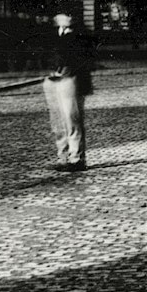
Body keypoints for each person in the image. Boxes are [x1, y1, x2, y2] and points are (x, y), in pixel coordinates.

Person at [42, 12, 95, 173]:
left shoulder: (81, 35)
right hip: (53, 79)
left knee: (72, 118)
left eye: (64, 15)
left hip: (71, 79)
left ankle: (76, 158)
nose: (59, 18)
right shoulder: (52, 33)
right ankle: (63, 156)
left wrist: (69, 69)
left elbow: (87, 57)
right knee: (57, 121)